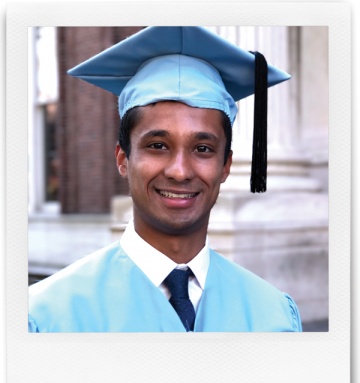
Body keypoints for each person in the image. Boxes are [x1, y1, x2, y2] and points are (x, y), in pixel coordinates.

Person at [28, 26, 302, 333]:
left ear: (225, 165)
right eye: (157, 146)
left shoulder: (273, 315)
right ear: (123, 159)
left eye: (203, 148)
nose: (179, 171)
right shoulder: (46, 317)